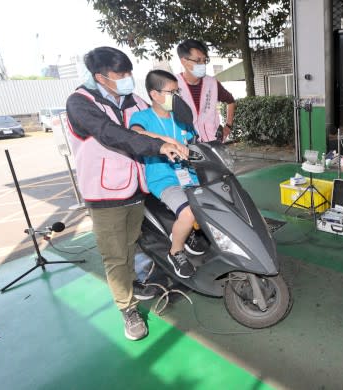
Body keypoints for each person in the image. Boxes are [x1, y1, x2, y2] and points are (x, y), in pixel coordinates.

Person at [66, 47, 188, 341]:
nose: (127, 79)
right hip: (105, 193)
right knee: (115, 255)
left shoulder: (133, 99)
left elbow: (148, 125)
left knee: (132, 244)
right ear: (101, 77)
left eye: (129, 72)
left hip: (135, 186)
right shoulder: (80, 103)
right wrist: (160, 145)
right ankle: (127, 309)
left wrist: (169, 137)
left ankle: (133, 284)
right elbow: (111, 133)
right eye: (121, 74)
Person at [129, 69, 207, 279]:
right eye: (172, 92)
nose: (177, 96)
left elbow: (193, 144)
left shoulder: (179, 116)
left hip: (189, 175)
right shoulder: (142, 117)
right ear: (154, 94)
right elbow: (135, 133)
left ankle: (187, 232)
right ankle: (176, 251)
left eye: (177, 91)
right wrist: (166, 142)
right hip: (163, 179)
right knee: (189, 212)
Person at [175, 39, 236, 142]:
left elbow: (231, 101)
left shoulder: (212, 83)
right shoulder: (172, 84)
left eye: (204, 60)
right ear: (183, 61)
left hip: (212, 141)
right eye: (198, 60)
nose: (203, 64)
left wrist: (228, 126)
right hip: (184, 144)